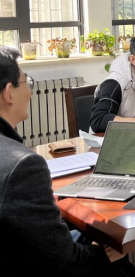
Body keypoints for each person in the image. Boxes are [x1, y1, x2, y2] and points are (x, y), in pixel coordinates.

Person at [0, 46, 122, 275]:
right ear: (9, 93)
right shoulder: (23, 166)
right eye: (26, 82)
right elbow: (67, 264)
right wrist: (102, 252)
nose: (30, 91)